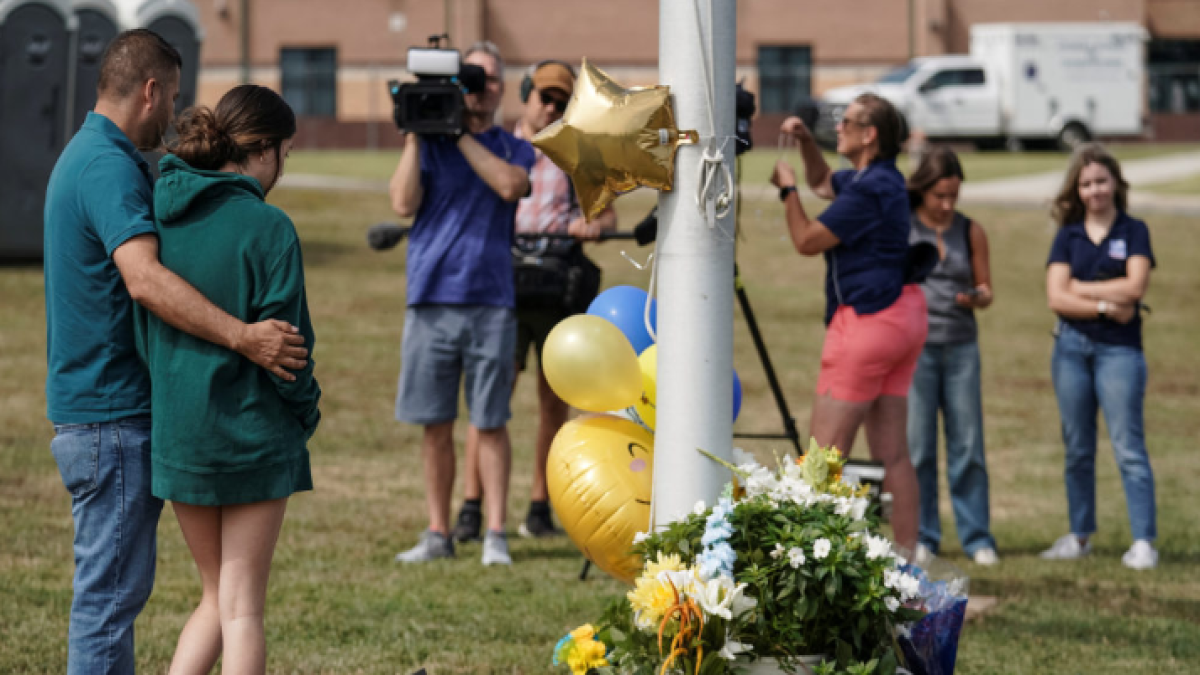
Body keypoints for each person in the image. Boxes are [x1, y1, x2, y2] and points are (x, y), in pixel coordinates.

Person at [42, 30, 306, 674]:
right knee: (111, 606)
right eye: (176, 97)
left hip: (119, 414)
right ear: (151, 90)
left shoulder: (90, 158)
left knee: (176, 599)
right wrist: (245, 337)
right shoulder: (107, 166)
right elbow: (145, 279)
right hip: (112, 415)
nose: (176, 117)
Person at [134, 83, 320, 675]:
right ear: (262, 150)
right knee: (241, 611)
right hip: (252, 432)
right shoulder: (269, 227)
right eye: (284, 157)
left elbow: (145, 329)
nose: (282, 173)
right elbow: (292, 352)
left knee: (215, 599)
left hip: (181, 431)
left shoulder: (157, 217)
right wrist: (305, 413)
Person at [451, 60, 618, 543]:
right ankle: (471, 504)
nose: (550, 107)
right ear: (525, 97)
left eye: (560, 102)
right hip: (502, 284)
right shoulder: (499, 147)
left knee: (553, 400)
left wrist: (593, 225)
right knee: (490, 398)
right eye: (543, 97)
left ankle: (540, 502)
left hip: (558, 285)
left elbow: (606, 217)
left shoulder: (578, 155)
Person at [389, 41, 535, 566]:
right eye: (471, 78)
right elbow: (403, 203)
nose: (481, 86)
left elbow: (510, 186)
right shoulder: (427, 143)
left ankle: (495, 533)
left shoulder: (510, 146)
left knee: (490, 420)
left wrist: (460, 135)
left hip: (489, 300)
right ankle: (437, 531)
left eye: (489, 78)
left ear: (500, 89)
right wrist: (417, 132)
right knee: (434, 425)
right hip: (430, 297)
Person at [769, 93, 925, 551]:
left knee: (823, 458)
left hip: (866, 323)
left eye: (847, 121)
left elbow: (806, 239)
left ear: (870, 134)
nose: (837, 127)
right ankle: (905, 561)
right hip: (903, 318)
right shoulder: (880, 179)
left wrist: (786, 191)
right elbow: (822, 181)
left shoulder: (868, 190)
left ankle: (807, 565)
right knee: (892, 452)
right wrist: (803, 142)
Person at [1041, 143, 1158, 570]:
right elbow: (1056, 296)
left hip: (1119, 352)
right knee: (1077, 448)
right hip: (1070, 349)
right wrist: (1108, 303)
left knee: (1128, 446)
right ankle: (1079, 535)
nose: (1095, 191)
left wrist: (1081, 289)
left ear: (1116, 183)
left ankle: (1144, 541)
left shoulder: (1134, 231)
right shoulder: (1068, 235)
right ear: (1077, 189)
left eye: (1101, 181)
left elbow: (1136, 288)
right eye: (1086, 183)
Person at [905, 146, 999, 566]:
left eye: (953, 196)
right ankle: (925, 535)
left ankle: (977, 536)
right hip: (917, 349)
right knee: (919, 447)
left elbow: (987, 288)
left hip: (961, 345)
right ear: (923, 190)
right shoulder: (903, 226)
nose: (946, 205)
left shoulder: (970, 230)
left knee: (968, 444)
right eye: (939, 195)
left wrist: (976, 298)